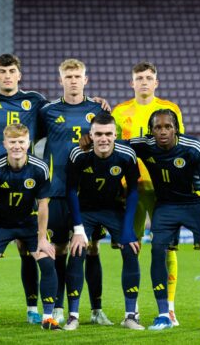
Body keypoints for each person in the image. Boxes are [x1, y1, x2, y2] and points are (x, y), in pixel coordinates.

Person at [0, 54, 49, 324]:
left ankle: (32, 308)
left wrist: (94, 102)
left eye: (11, 71)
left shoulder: (36, 100)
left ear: (20, 74)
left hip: (25, 179)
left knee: (28, 251)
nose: (7, 75)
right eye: (2, 71)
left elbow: (57, 116)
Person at [130, 109, 200, 331]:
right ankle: (163, 315)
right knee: (157, 250)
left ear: (176, 129)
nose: (162, 131)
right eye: (158, 127)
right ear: (151, 131)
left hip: (195, 205)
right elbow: (115, 144)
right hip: (166, 206)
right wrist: (89, 139)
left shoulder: (194, 148)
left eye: (168, 127)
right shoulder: (144, 145)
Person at [111, 61, 184, 325]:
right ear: (132, 83)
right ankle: (133, 309)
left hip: (162, 189)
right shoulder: (120, 112)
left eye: (148, 77)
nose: (144, 81)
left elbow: (180, 149)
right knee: (130, 246)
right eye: (139, 78)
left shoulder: (170, 110)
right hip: (131, 189)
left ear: (157, 82)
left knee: (167, 248)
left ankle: (169, 307)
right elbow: (114, 150)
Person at [37, 58, 107, 325]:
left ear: (85, 80)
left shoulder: (97, 110)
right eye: (69, 77)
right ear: (61, 80)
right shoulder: (48, 111)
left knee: (91, 248)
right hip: (56, 190)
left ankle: (96, 309)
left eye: (78, 76)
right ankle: (57, 307)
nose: (73, 80)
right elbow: (27, 132)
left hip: (88, 193)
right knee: (59, 248)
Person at [0, 123, 60, 331]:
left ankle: (48, 317)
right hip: (2, 224)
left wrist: (42, 239)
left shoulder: (39, 168)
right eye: (12, 142)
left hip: (29, 222)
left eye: (21, 142)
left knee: (47, 260)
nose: (17, 146)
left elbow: (42, 206)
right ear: (4, 143)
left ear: (28, 143)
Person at [65, 113, 143, 331]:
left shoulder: (126, 155)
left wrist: (128, 230)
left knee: (130, 249)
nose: (103, 139)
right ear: (90, 134)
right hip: (85, 210)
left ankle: (130, 316)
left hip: (113, 209)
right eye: (98, 134)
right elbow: (70, 191)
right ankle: (73, 316)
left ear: (115, 134)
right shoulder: (78, 154)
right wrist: (78, 229)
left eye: (108, 134)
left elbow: (134, 192)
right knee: (78, 250)